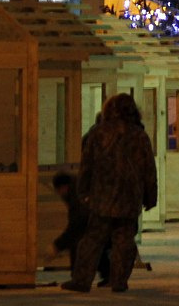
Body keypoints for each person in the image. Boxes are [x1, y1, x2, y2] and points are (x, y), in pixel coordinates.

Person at [62, 93, 156, 293]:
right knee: (124, 241)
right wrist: (150, 196)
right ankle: (119, 281)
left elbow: (87, 165)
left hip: (102, 196)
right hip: (129, 198)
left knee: (92, 240)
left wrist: (83, 191)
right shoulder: (140, 135)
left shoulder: (98, 133)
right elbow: (149, 169)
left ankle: (81, 280)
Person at [50, 171, 110, 286]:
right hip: (104, 224)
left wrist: (58, 245)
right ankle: (109, 275)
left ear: (63, 187)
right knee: (97, 246)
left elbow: (76, 225)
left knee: (79, 244)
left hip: (100, 225)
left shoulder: (76, 195)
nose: (59, 195)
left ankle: (78, 279)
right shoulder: (79, 189)